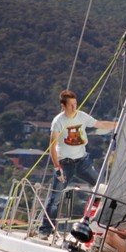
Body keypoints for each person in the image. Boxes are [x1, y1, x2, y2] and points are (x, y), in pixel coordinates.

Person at [40, 89, 100, 234]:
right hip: (65, 164)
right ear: (63, 106)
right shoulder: (58, 121)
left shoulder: (81, 116)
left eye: (75, 104)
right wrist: (57, 167)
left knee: (102, 188)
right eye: (71, 105)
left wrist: (118, 124)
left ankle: (94, 224)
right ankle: (46, 229)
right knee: (55, 198)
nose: (74, 107)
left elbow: (99, 124)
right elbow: (52, 147)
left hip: (82, 161)